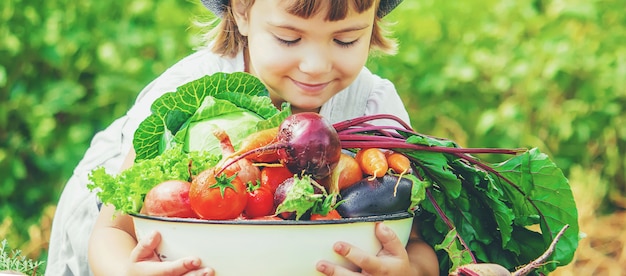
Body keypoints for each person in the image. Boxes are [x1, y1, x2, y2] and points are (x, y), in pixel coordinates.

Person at [46, 0, 440, 275]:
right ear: (242, 11)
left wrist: (409, 270)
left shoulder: (374, 106)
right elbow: (111, 232)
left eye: (346, 40)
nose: (316, 66)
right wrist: (124, 271)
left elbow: (417, 244)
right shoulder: (192, 92)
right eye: (289, 38)